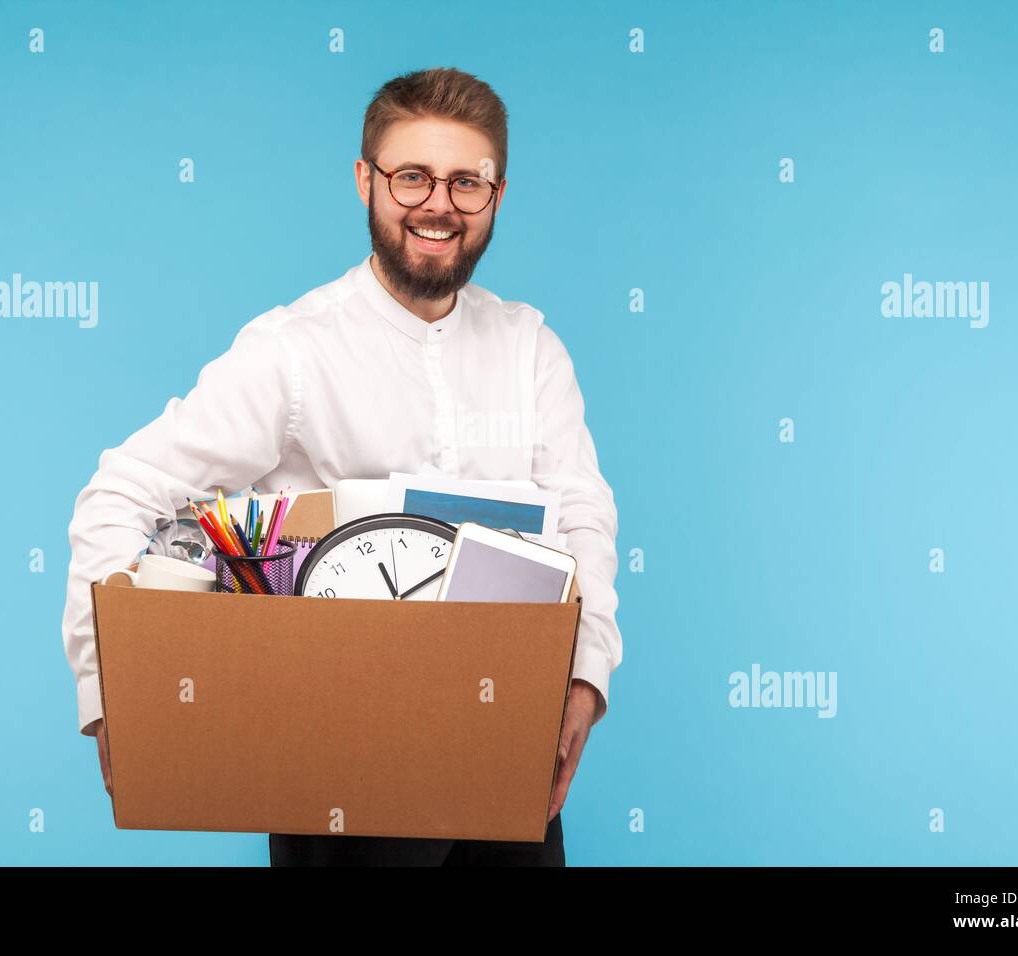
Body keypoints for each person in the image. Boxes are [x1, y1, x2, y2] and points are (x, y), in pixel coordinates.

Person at [61, 67, 621, 866]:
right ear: (366, 180)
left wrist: (588, 676)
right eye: (412, 177)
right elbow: (120, 491)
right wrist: (116, 692)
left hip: (507, 760)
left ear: (497, 195)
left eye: (467, 182)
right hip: (337, 780)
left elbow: (582, 517)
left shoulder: (532, 349)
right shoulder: (292, 352)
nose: (439, 204)